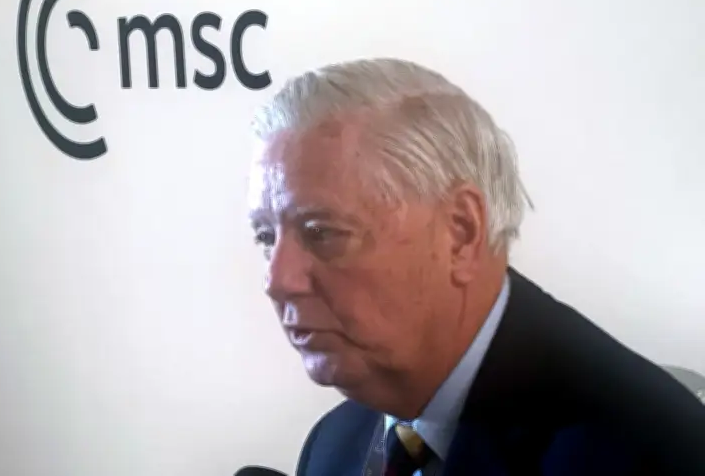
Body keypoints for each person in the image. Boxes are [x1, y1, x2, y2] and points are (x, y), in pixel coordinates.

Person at [246, 58, 705, 476]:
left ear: (461, 233)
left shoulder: (648, 451)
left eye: (322, 233)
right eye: (266, 237)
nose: (278, 282)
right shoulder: (334, 444)